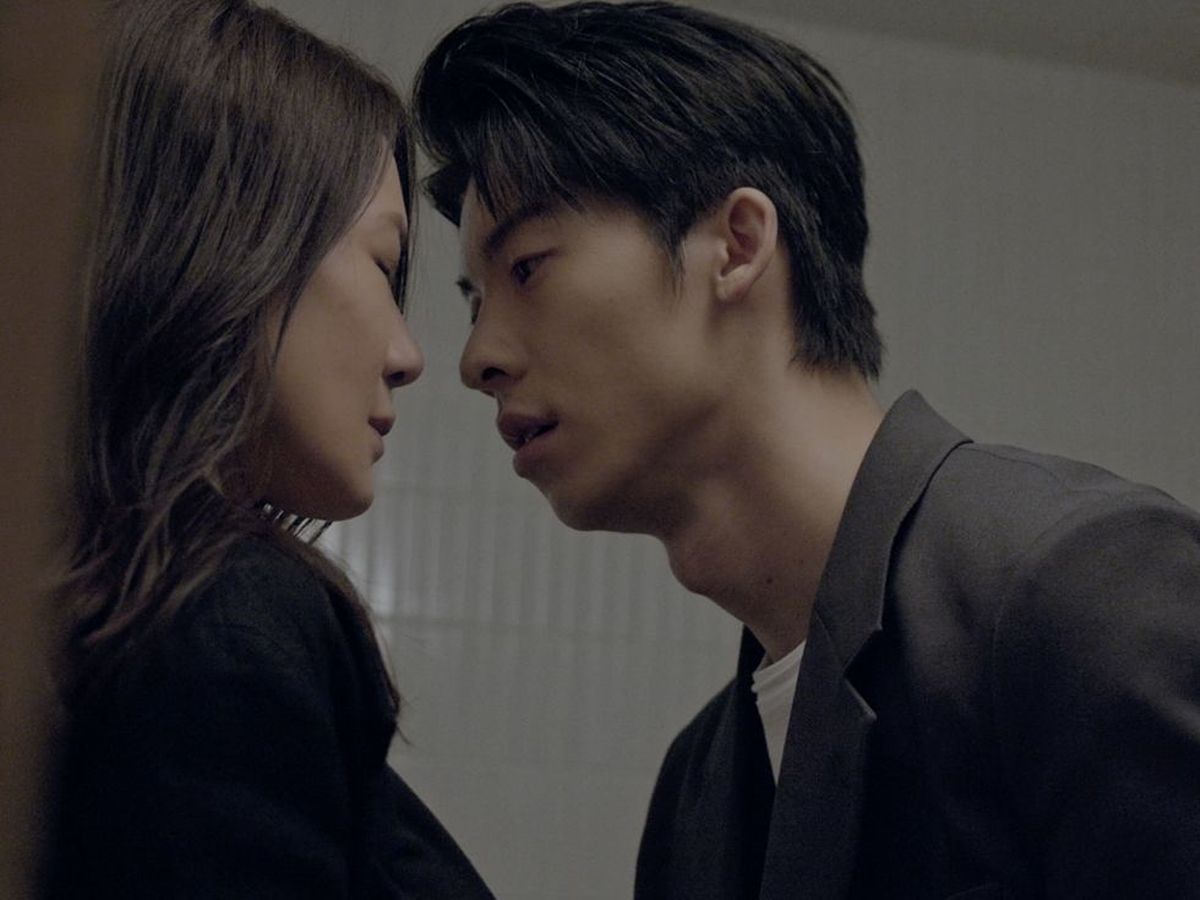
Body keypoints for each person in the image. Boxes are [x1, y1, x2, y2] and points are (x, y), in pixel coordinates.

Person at [413, 2, 1200, 896]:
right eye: (475, 302)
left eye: (527, 268)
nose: (478, 358)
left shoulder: (1074, 587)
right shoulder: (697, 784)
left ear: (737, 245)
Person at [46, 1, 494, 896]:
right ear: (228, 246)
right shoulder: (220, 613)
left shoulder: (109, 606)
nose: (408, 356)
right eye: (383, 265)